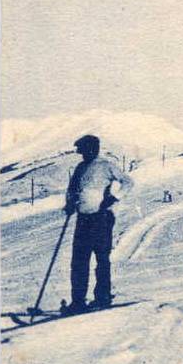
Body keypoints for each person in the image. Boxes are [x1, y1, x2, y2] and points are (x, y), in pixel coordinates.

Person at [63, 134, 133, 313]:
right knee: (79, 261)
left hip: (101, 218)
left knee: (101, 259)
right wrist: (70, 203)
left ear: (94, 149)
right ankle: (78, 301)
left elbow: (128, 182)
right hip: (83, 219)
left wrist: (114, 198)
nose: (83, 153)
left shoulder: (106, 166)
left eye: (85, 150)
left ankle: (102, 297)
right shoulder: (80, 167)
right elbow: (72, 189)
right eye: (81, 151)